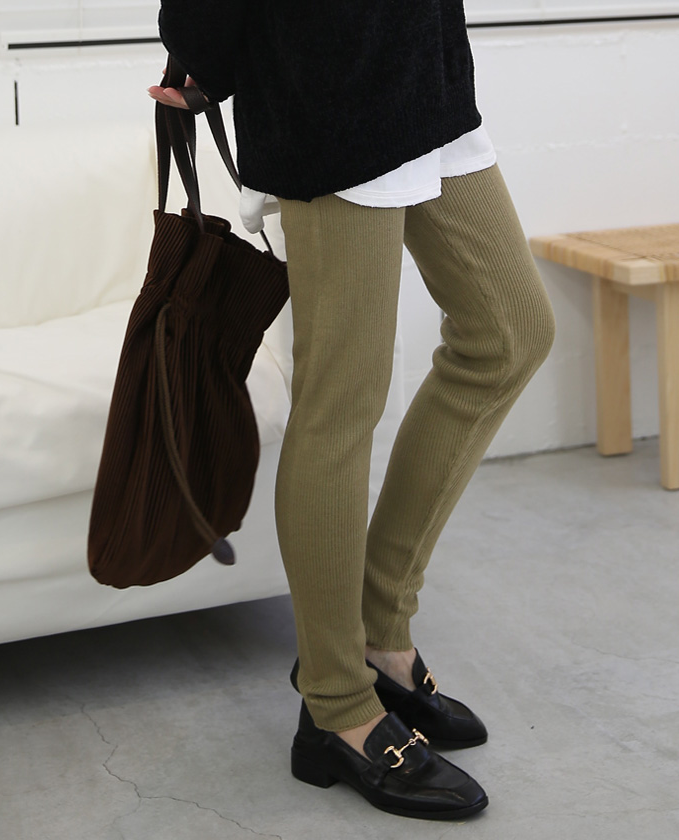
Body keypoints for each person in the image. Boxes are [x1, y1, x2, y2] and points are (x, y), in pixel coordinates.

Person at [149, 0, 556, 821]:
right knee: (342, 401)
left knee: (510, 334)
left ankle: (380, 635)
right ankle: (335, 704)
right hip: (327, 93)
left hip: (427, 78)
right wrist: (202, 51)